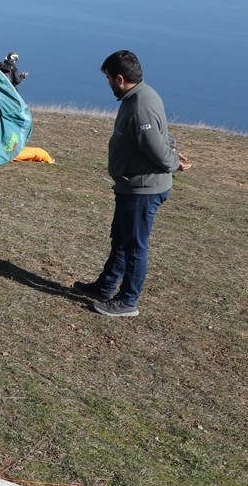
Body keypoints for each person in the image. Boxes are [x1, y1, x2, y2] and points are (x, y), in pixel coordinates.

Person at [73, 49, 191, 317]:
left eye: (108, 79)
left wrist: (173, 162)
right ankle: (105, 286)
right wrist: (173, 148)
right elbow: (163, 133)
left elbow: (154, 146)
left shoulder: (139, 105)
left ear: (119, 78)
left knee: (135, 245)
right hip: (132, 185)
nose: (108, 84)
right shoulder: (142, 95)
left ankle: (128, 301)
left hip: (143, 189)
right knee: (122, 239)